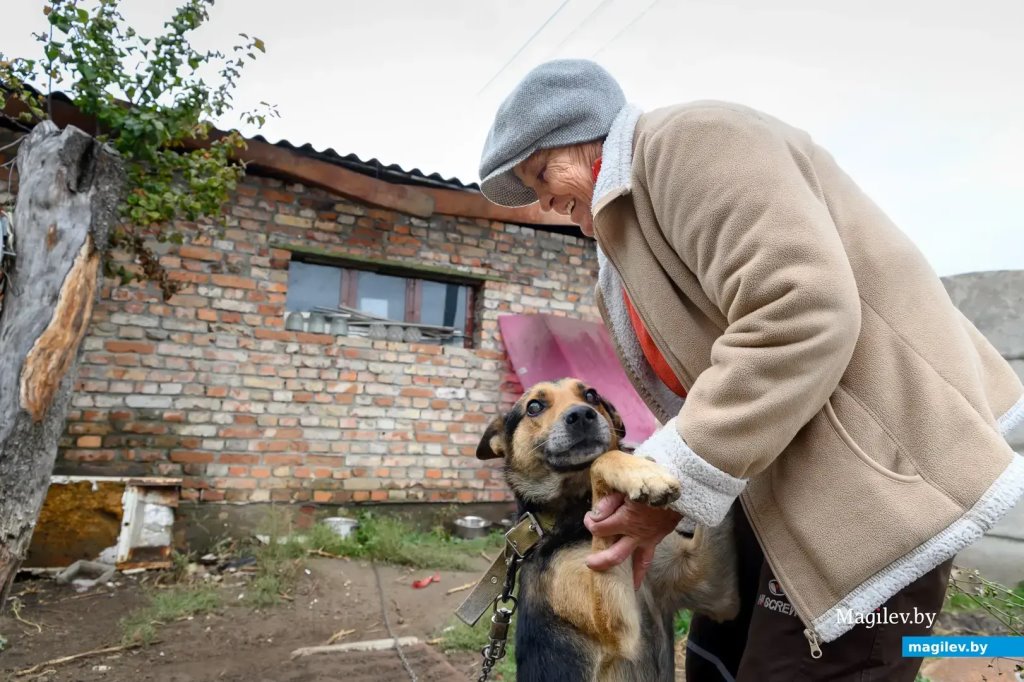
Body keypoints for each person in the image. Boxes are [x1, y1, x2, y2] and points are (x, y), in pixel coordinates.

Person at [476, 58, 1024, 681]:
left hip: (870, 484)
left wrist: (676, 482)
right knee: (715, 665)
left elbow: (801, 309)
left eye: (542, 174)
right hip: (774, 487)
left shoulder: (691, 143)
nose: (545, 202)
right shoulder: (627, 245)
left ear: (583, 136)